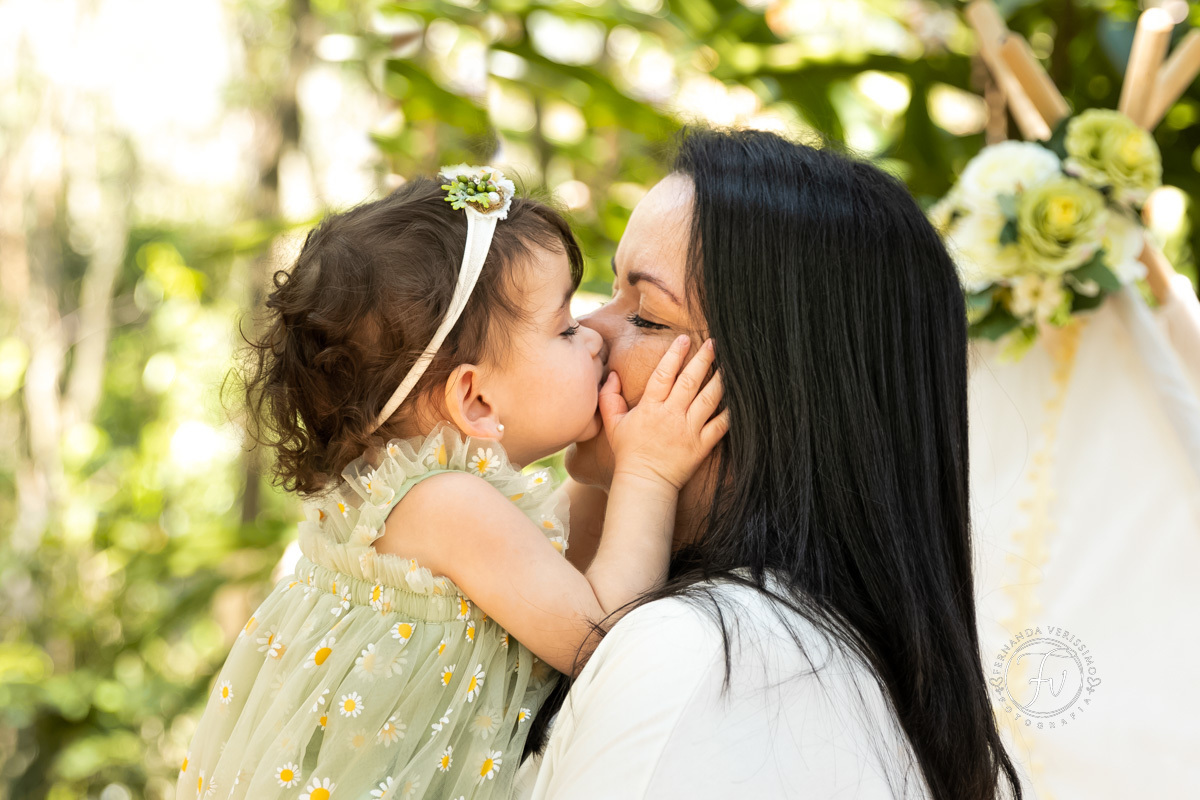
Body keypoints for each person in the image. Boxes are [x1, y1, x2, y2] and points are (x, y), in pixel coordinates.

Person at [177, 167, 727, 800]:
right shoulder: (447, 504)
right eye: (566, 329)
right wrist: (648, 471)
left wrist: (613, 451)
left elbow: (570, 560)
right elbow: (600, 634)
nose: (595, 339)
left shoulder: (427, 494)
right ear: (475, 399)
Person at [517, 128, 1024, 799]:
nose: (588, 332)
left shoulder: (702, 657)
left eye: (646, 316)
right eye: (611, 292)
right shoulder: (787, 649)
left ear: (780, 392)